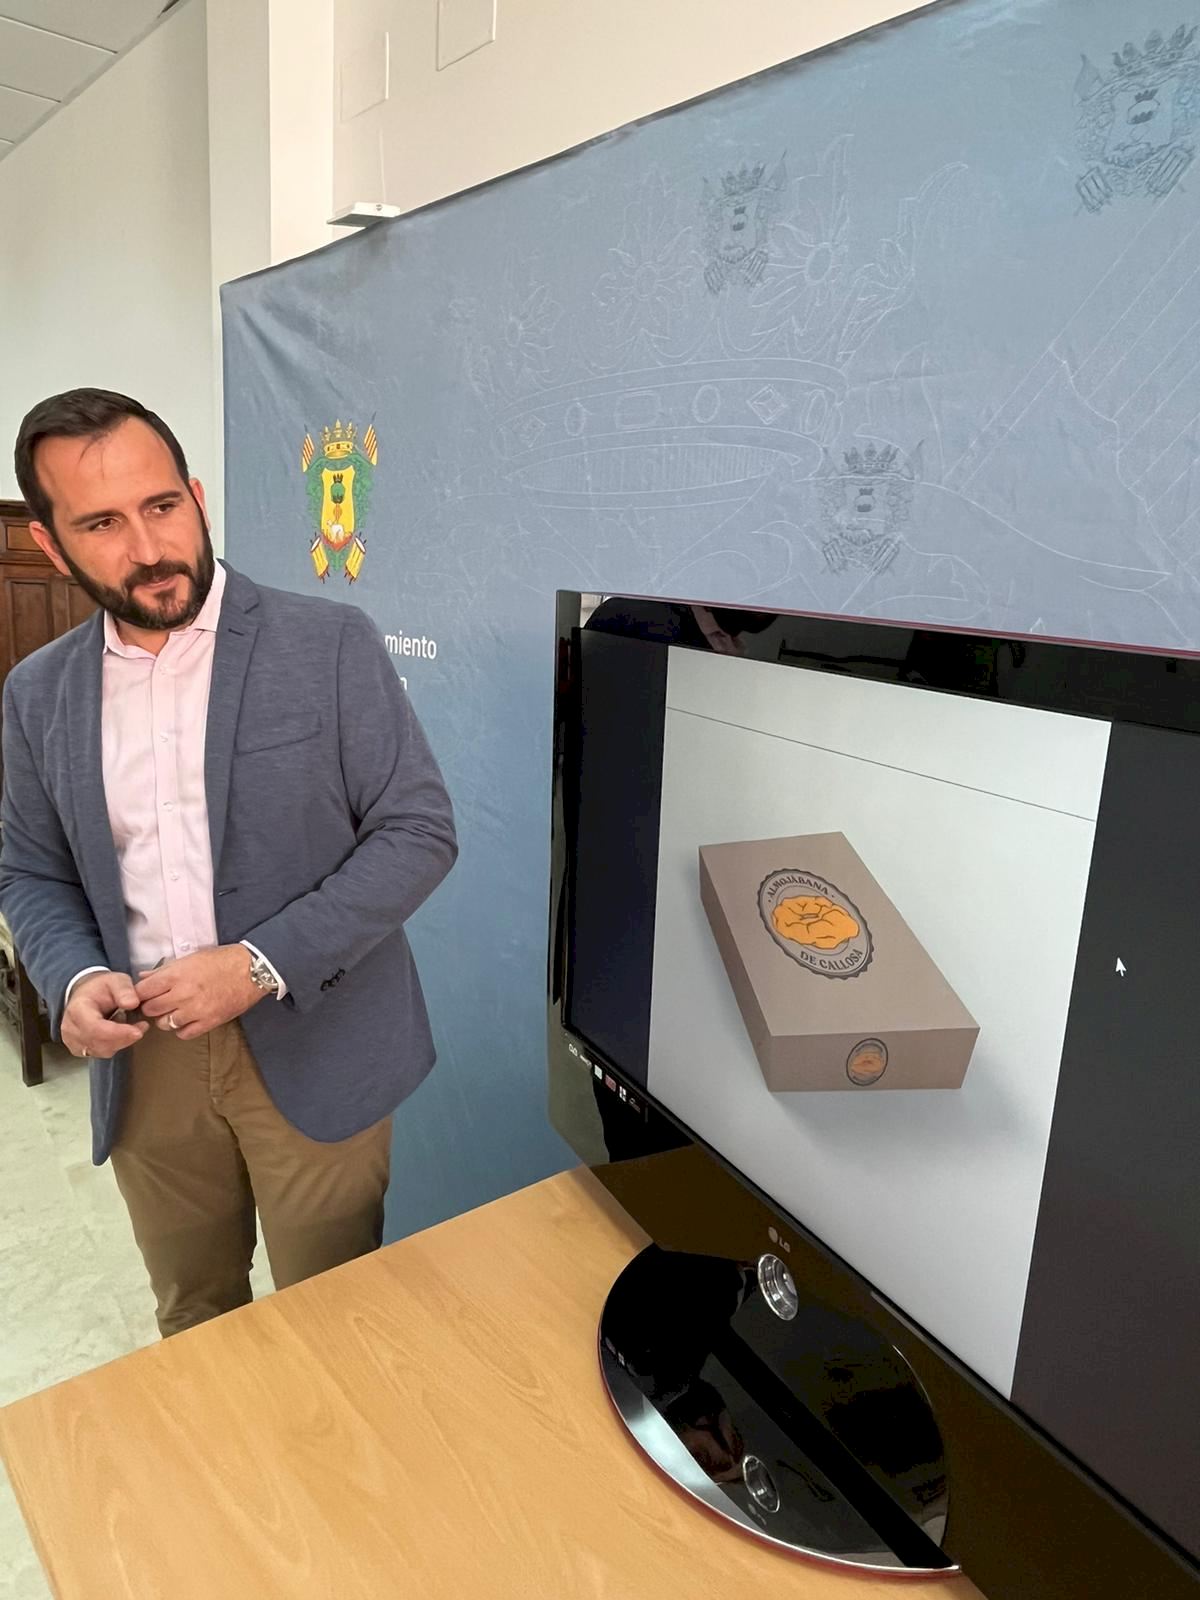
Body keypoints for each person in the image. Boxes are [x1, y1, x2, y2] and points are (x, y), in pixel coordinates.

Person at [0, 389, 457, 1336]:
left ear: (198, 496)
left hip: (317, 1039)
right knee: (196, 1320)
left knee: (332, 1326)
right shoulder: (37, 693)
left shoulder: (329, 642)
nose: (148, 547)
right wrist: (72, 976)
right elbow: (30, 870)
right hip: (146, 1063)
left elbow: (417, 830)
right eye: (102, 524)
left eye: (162, 506)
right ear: (51, 544)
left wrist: (257, 965)